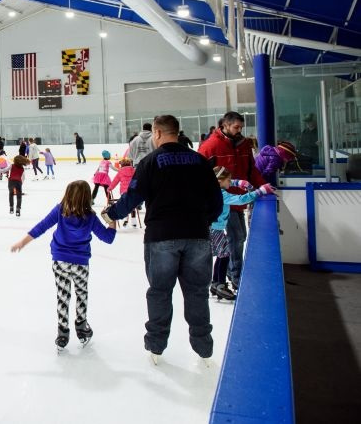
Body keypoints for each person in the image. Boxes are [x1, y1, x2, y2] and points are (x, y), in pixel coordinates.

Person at [104, 115, 223, 364]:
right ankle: (204, 349)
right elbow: (216, 200)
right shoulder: (200, 161)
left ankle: (156, 348)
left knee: (159, 292)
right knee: (197, 293)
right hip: (197, 235)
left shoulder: (150, 162)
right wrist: (204, 221)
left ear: (157, 133)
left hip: (161, 237)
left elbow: (132, 196)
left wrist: (111, 214)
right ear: (177, 132)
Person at [11, 180, 116, 348]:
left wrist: (22, 243)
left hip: (60, 261)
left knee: (63, 295)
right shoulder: (90, 217)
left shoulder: (60, 210)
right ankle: (82, 329)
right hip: (81, 263)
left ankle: (63, 334)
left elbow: (42, 226)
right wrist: (112, 221)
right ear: (87, 197)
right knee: (81, 294)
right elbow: (108, 238)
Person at [198, 111, 265, 292]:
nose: (239, 130)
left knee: (240, 237)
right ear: (225, 125)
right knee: (236, 238)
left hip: (238, 200)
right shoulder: (210, 146)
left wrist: (261, 186)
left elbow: (251, 170)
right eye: (236, 127)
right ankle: (236, 276)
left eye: (241, 127)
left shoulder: (244, 145)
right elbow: (199, 175)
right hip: (222, 203)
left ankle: (230, 273)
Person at [210, 167, 275, 301]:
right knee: (225, 255)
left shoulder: (213, 188)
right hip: (214, 229)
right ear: (220, 181)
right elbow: (240, 199)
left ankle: (216, 283)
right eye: (229, 180)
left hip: (214, 228)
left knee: (222, 255)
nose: (230, 182)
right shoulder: (220, 194)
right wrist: (260, 191)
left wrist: (239, 183)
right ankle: (220, 284)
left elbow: (225, 182)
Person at [109, 158, 138, 227]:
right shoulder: (134, 170)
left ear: (121, 165)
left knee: (125, 205)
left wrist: (110, 188)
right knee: (133, 205)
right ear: (130, 164)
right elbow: (138, 179)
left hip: (124, 192)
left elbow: (115, 181)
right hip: (133, 191)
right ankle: (134, 221)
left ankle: (125, 219)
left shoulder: (120, 171)